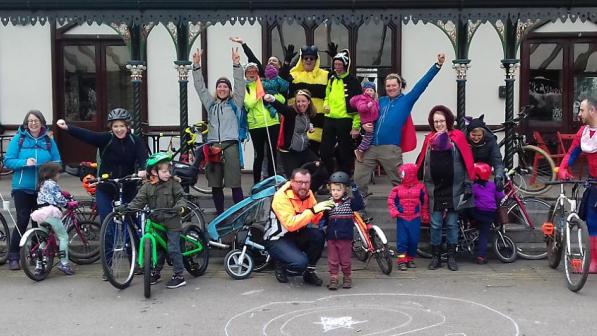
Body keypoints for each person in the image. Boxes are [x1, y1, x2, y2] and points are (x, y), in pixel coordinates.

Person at [353, 54, 445, 196]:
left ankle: (406, 213)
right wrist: (363, 126)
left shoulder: (407, 100)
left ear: (400, 86)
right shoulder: (380, 101)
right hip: (369, 146)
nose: (391, 88)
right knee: (359, 180)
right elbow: (364, 112)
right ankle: (359, 214)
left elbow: (422, 84)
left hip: (391, 149)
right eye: (388, 86)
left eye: (394, 85)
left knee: (401, 182)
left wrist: (437, 66)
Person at [56, 108, 147, 224]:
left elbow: (143, 157)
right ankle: (109, 241)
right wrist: (67, 127)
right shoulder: (106, 139)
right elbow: (88, 135)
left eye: (122, 126)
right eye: (115, 126)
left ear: (127, 126)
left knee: (132, 221)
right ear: (111, 127)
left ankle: (133, 241)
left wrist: (143, 170)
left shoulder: (135, 141)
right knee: (107, 223)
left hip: (127, 187)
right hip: (106, 187)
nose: (119, 129)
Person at [416, 105, 475, 271]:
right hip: (435, 189)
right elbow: (422, 163)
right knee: (435, 224)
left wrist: (468, 184)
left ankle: (451, 257)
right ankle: (436, 256)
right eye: (436, 121)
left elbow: (467, 163)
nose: (439, 124)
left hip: (454, 188)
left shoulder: (458, 137)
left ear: (448, 121)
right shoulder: (429, 139)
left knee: (451, 224)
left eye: (441, 121)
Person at [4, 110, 61, 270]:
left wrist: (47, 169)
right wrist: (24, 162)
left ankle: (37, 256)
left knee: (40, 223)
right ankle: (13, 257)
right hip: (22, 187)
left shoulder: (48, 141)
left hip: (43, 189)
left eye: (36, 121)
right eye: (30, 121)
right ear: (26, 123)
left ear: (41, 123)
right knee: (22, 221)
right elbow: (8, 161)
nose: (33, 123)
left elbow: (58, 161)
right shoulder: (19, 139)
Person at [192, 48, 246, 214]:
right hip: (214, 146)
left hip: (230, 146)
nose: (222, 88)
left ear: (229, 90)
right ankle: (220, 212)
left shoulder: (235, 103)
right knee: (215, 184)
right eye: (219, 86)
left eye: (225, 86)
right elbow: (200, 88)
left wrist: (236, 64)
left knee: (235, 183)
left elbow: (240, 84)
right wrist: (196, 66)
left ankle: (240, 213)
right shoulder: (211, 105)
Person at [122, 152, 188, 288]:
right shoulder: (147, 187)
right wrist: (128, 208)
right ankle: (156, 271)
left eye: (168, 170)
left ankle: (179, 275)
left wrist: (180, 207)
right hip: (156, 222)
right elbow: (138, 201)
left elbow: (181, 197)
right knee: (157, 248)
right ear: (154, 171)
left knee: (173, 248)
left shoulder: (173, 184)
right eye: (164, 171)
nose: (168, 173)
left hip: (172, 222)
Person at [264, 168, 335, 285]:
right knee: (300, 264)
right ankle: (280, 263)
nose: (303, 186)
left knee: (319, 235)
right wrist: (313, 210)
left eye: (307, 183)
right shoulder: (281, 196)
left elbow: (315, 220)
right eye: (299, 182)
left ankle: (309, 273)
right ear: (291, 182)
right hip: (277, 238)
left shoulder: (309, 193)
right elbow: (291, 224)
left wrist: (326, 210)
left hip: (297, 234)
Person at [558, 97, 597, 272]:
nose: (579, 114)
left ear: (592, 111)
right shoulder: (583, 132)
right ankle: (594, 261)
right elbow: (572, 153)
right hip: (594, 183)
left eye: (582, 110)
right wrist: (563, 168)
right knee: (592, 222)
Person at [264, 90, 325, 178]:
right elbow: (282, 108)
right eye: (298, 101)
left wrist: (309, 127)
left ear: (308, 102)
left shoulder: (307, 113)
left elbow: (301, 125)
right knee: (294, 178)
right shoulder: (291, 112)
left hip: (303, 150)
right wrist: (272, 99)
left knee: (320, 168)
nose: (300, 104)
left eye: (303, 101)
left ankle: (310, 189)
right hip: (289, 152)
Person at [320, 49, 362, 176]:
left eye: (339, 64)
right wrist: (325, 105)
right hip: (330, 118)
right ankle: (328, 175)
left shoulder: (353, 81)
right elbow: (326, 96)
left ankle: (345, 176)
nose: (337, 67)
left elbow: (359, 105)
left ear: (345, 65)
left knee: (345, 151)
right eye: (335, 64)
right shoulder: (331, 79)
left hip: (345, 119)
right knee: (324, 150)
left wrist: (356, 126)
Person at [29, 162, 74, 275]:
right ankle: (64, 264)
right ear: (53, 174)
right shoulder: (52, 183)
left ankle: (40, 265)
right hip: (50, 212)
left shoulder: (42, 183)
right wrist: (68, 204)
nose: (59, 176)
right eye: (59, 173)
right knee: (63, 237)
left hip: (40, 214)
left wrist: (61, 193)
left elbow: (51, 194)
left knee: (44, 239)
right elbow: (59, 199)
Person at [322, 171, 364, 289]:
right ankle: (334, 278)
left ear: (345, 190)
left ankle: (347, 277)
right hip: (331, 238)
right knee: (333, 260)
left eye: (338, 190)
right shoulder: (328, 203)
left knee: (345, 260)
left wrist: (355, 189)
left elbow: (359, 205)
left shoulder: (350, 203)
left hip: (345, 238)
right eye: (333, 190)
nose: (335, 192)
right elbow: (324, 218)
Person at [242, 62, 281, 183]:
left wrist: (272, 97)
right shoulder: (245, 87)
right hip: (256, 125)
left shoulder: (265, 83)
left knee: (271, 154)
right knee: (259, 155)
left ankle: (271, 182)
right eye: (249, 72)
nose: (252, 74)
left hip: (271, 122)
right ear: (245, 74)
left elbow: (281, 98)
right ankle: (256, 183)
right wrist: (259, 95)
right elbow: (248, 103)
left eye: (254, 71)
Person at [288, 45, 330, 155]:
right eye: (306, 58)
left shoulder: (326, 75)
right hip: (297, 126)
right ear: (301, 59)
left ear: (316, 60)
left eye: (312, 58)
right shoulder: (293, 75)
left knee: (314, 160)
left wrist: (335, 57)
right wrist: (287, 61)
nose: (308, 60)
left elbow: (341, 78)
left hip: (318, 126)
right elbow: (279, 82)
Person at [387, 163, 429, 271]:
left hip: (415, 218)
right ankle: (402, 261)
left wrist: (424, 214)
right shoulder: (397, 189)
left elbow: (425, 202)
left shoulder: (421, 188)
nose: (401, 176)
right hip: (402, 218)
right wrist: (394, 211)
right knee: (402, 240)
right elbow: (391, 201)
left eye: (403, 174)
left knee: (413, 240)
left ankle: (410, 259)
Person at [465, 162, 505, 264]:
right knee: (484, 234)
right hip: (490, 213)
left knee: (468, 211)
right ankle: (481, 256)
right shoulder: (492, 185)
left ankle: (467, 229)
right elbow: (500, 197)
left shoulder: (474, 187)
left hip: (477, 212)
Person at [464, 114, 505, 192]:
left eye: (479, 135)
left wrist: (498, 177)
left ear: (483, 134)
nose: (476, 138)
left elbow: (497, 161)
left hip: (485, 173)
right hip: (467, 175)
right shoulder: (463, 140)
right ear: (469, 133)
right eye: (473, 135)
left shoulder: (490, 140)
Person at [350, 81, 379, 162]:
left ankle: (362, 150)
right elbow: (360, 108)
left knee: (370, 137)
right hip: (367, 121)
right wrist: (367, 106)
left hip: (372, 120)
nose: (369, 92)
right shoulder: (363, 99)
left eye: (371, 90)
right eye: (367, 90)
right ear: (364, 91)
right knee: (368, 137)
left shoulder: (374, 100)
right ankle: (360, 150)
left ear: (374, 92)